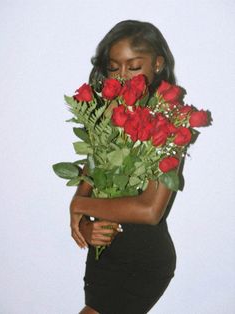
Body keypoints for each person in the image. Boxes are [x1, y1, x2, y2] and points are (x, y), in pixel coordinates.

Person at [70, 20, 178, 314]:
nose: (123, 76)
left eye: (133, 66)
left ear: (157, 64)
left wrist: (79, 205)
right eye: (114, 67)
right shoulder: (105, 118)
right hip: (103, 255)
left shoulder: (167, 123)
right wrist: (84, 225)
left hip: (142, 261)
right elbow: (89, 181)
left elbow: (150, 210)